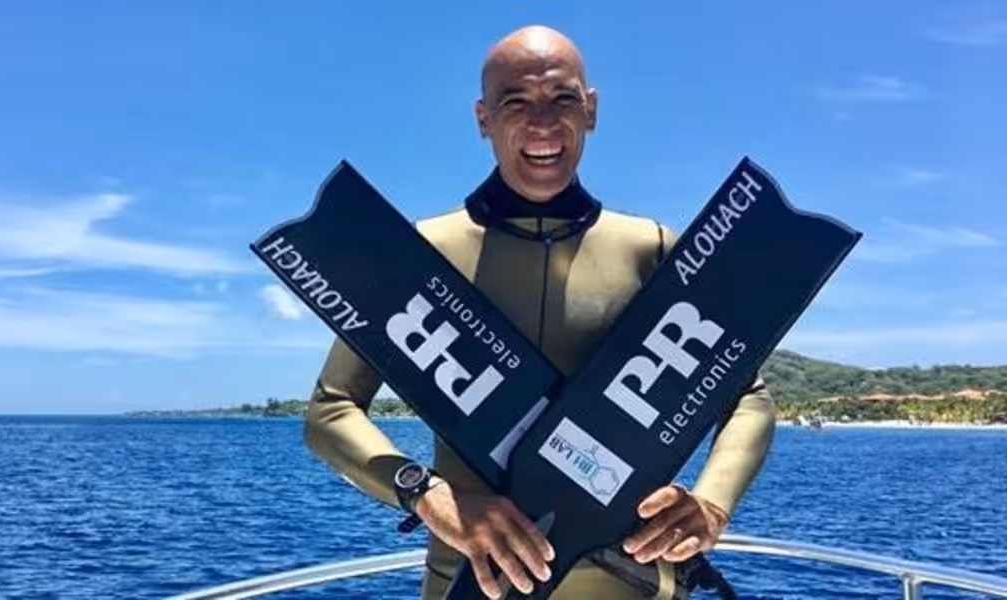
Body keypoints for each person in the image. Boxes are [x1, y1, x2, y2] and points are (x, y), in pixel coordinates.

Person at [302, 24, 776, 600]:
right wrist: (426, 493)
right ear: (483, 119)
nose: (543, 124)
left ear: (592, 109)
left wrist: (711, 503)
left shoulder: (651, 249)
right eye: (515, 102)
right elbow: (331, 410)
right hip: (472, 583)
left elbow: (746, 394)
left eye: (563, 100)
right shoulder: (418, 255)